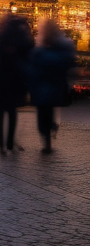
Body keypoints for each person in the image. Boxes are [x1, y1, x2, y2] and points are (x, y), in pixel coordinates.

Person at [0, 14, 34, 153]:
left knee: (1, 112)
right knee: (12, 112)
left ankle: (1, 144)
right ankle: (10, 143)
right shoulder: (23, 37)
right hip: (16, 80)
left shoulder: (0, 37)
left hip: (0, 78)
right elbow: (29, 54)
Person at [27, 18, 76, 154]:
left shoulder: (38, 52)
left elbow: (32, 71)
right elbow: (68, 64)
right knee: (50, 111)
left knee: (43, 114)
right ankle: (50, 132)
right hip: (55, 87)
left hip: (41, 89)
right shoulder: (62, 50)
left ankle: (46, 139)